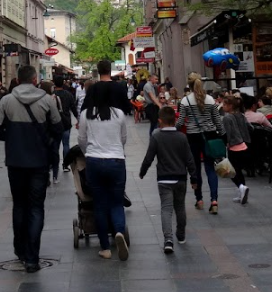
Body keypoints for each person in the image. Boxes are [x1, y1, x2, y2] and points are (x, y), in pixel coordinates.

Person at [0, 66, 63, 273]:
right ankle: (32, 258)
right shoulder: (47, 100)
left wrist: (13, 137)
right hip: (39, 161)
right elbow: (58, 128)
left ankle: (20, 249)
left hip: (15, 162)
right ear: (34, 79)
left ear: (17, 79)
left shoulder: (6, 100)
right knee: (36, 208)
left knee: (19, 206)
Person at [77, 73, 130, 261]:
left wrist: (88, 152)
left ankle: (105, 247)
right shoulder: (119, 114)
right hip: (116, 160)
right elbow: (123, 138)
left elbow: (81, 139)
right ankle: (118, 232)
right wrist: (116, 149)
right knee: (116, 202)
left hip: (94, 161)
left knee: (99, 204)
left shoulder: (86, 115)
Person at [139, 106, 194, 254]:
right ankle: (181, 235)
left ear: (159, 121)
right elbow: (189, 159)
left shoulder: (157, 137)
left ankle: (168, 240)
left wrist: (142, 171)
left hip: (164, 179)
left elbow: (149, 157)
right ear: (175, 120)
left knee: (166, 209)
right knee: (180, 207)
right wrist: (194, 178)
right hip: (180, 178)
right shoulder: (182, 137)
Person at [177, 73, 223, 215]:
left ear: (189, 85)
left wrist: (173, 129)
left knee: (195, 167)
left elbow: (180, 122)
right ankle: (214, 200)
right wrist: (222, 135)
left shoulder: (185, 101)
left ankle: (199, 199)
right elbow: (217, 121)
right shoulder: (210, 100)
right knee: (210, 167)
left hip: (192, 136)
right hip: (209, 135)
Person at [221, 95, 252, 205]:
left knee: (230, 172)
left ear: (230, 106)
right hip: (243, 145)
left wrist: (225, 143)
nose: (222, 106)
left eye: (224, 104)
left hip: (233, 147)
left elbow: (227, 134)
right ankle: (242, 192)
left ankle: (241, 187)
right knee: (238, 171)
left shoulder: (227, 118)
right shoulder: (241, 115)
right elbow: (250, 127)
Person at [40, 81, 63, 184]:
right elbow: (59, 113)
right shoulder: (47, 99)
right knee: (54, 152)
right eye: (52, 87)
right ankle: (52, 175)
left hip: (46, 130)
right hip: (52, 129)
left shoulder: (41, 99)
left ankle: (53, 174)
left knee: (50, 153)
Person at [53, 78, 78, 172]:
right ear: (63, 83)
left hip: (55, 123)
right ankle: (65, 165)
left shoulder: (52, 95)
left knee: (55, 145)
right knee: (66, 144)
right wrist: (77, 118)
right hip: (66, 122)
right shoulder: (68, 94)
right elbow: (73, 108)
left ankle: (54, 164)